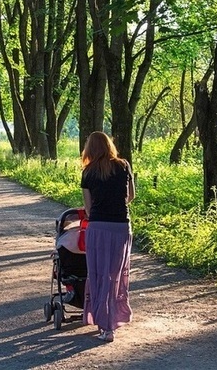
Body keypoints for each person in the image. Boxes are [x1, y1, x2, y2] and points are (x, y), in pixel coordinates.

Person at [80, 131, 135, 343]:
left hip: (98, 228)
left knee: (99, 274)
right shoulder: (123, 166)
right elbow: (130, 196)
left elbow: (88, 208)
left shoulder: (88, 172)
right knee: (116, 275)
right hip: (121, 227)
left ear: (90, 149)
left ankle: (105, 325)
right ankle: (115, 318)